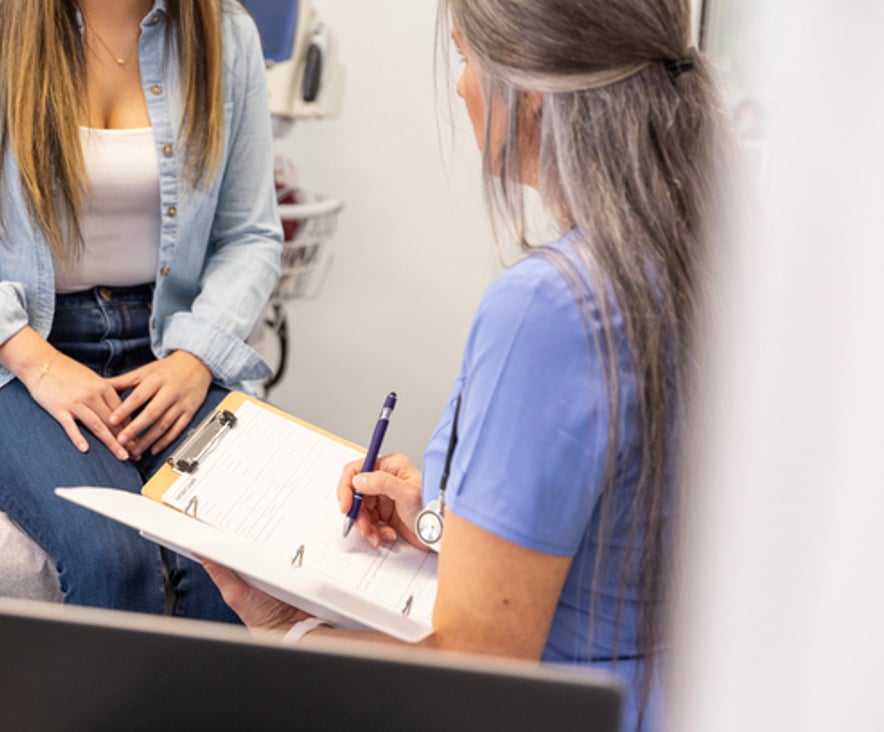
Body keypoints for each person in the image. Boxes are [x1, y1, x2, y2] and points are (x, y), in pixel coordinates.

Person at [203, 1, 725, 729]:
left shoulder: (548, 310)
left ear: (532, 91)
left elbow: (477, 672)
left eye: (466, 59)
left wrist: (284, 629)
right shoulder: (700, 256)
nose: (460, 87)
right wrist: (453, 523)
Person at [0, 0, 282, 621]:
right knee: (117, 556)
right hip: (14, 353)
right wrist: (37, 361)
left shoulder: (226, 36)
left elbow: (251, 235)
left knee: (228, 555)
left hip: (170, 345)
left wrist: (196, 357)